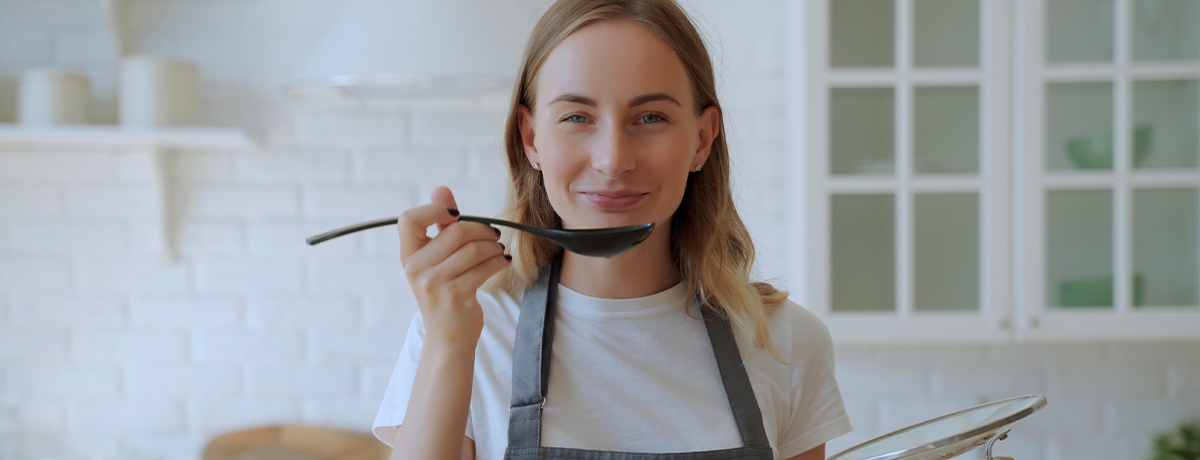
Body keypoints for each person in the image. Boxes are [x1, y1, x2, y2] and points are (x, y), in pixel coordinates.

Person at [373, 1, 854, 459]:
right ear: (531, 139)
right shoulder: (469, 327)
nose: (613, 160)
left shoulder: (787, 341)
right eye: (577, 117)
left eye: (650, 117)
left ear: (702, 140)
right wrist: (449, 341)